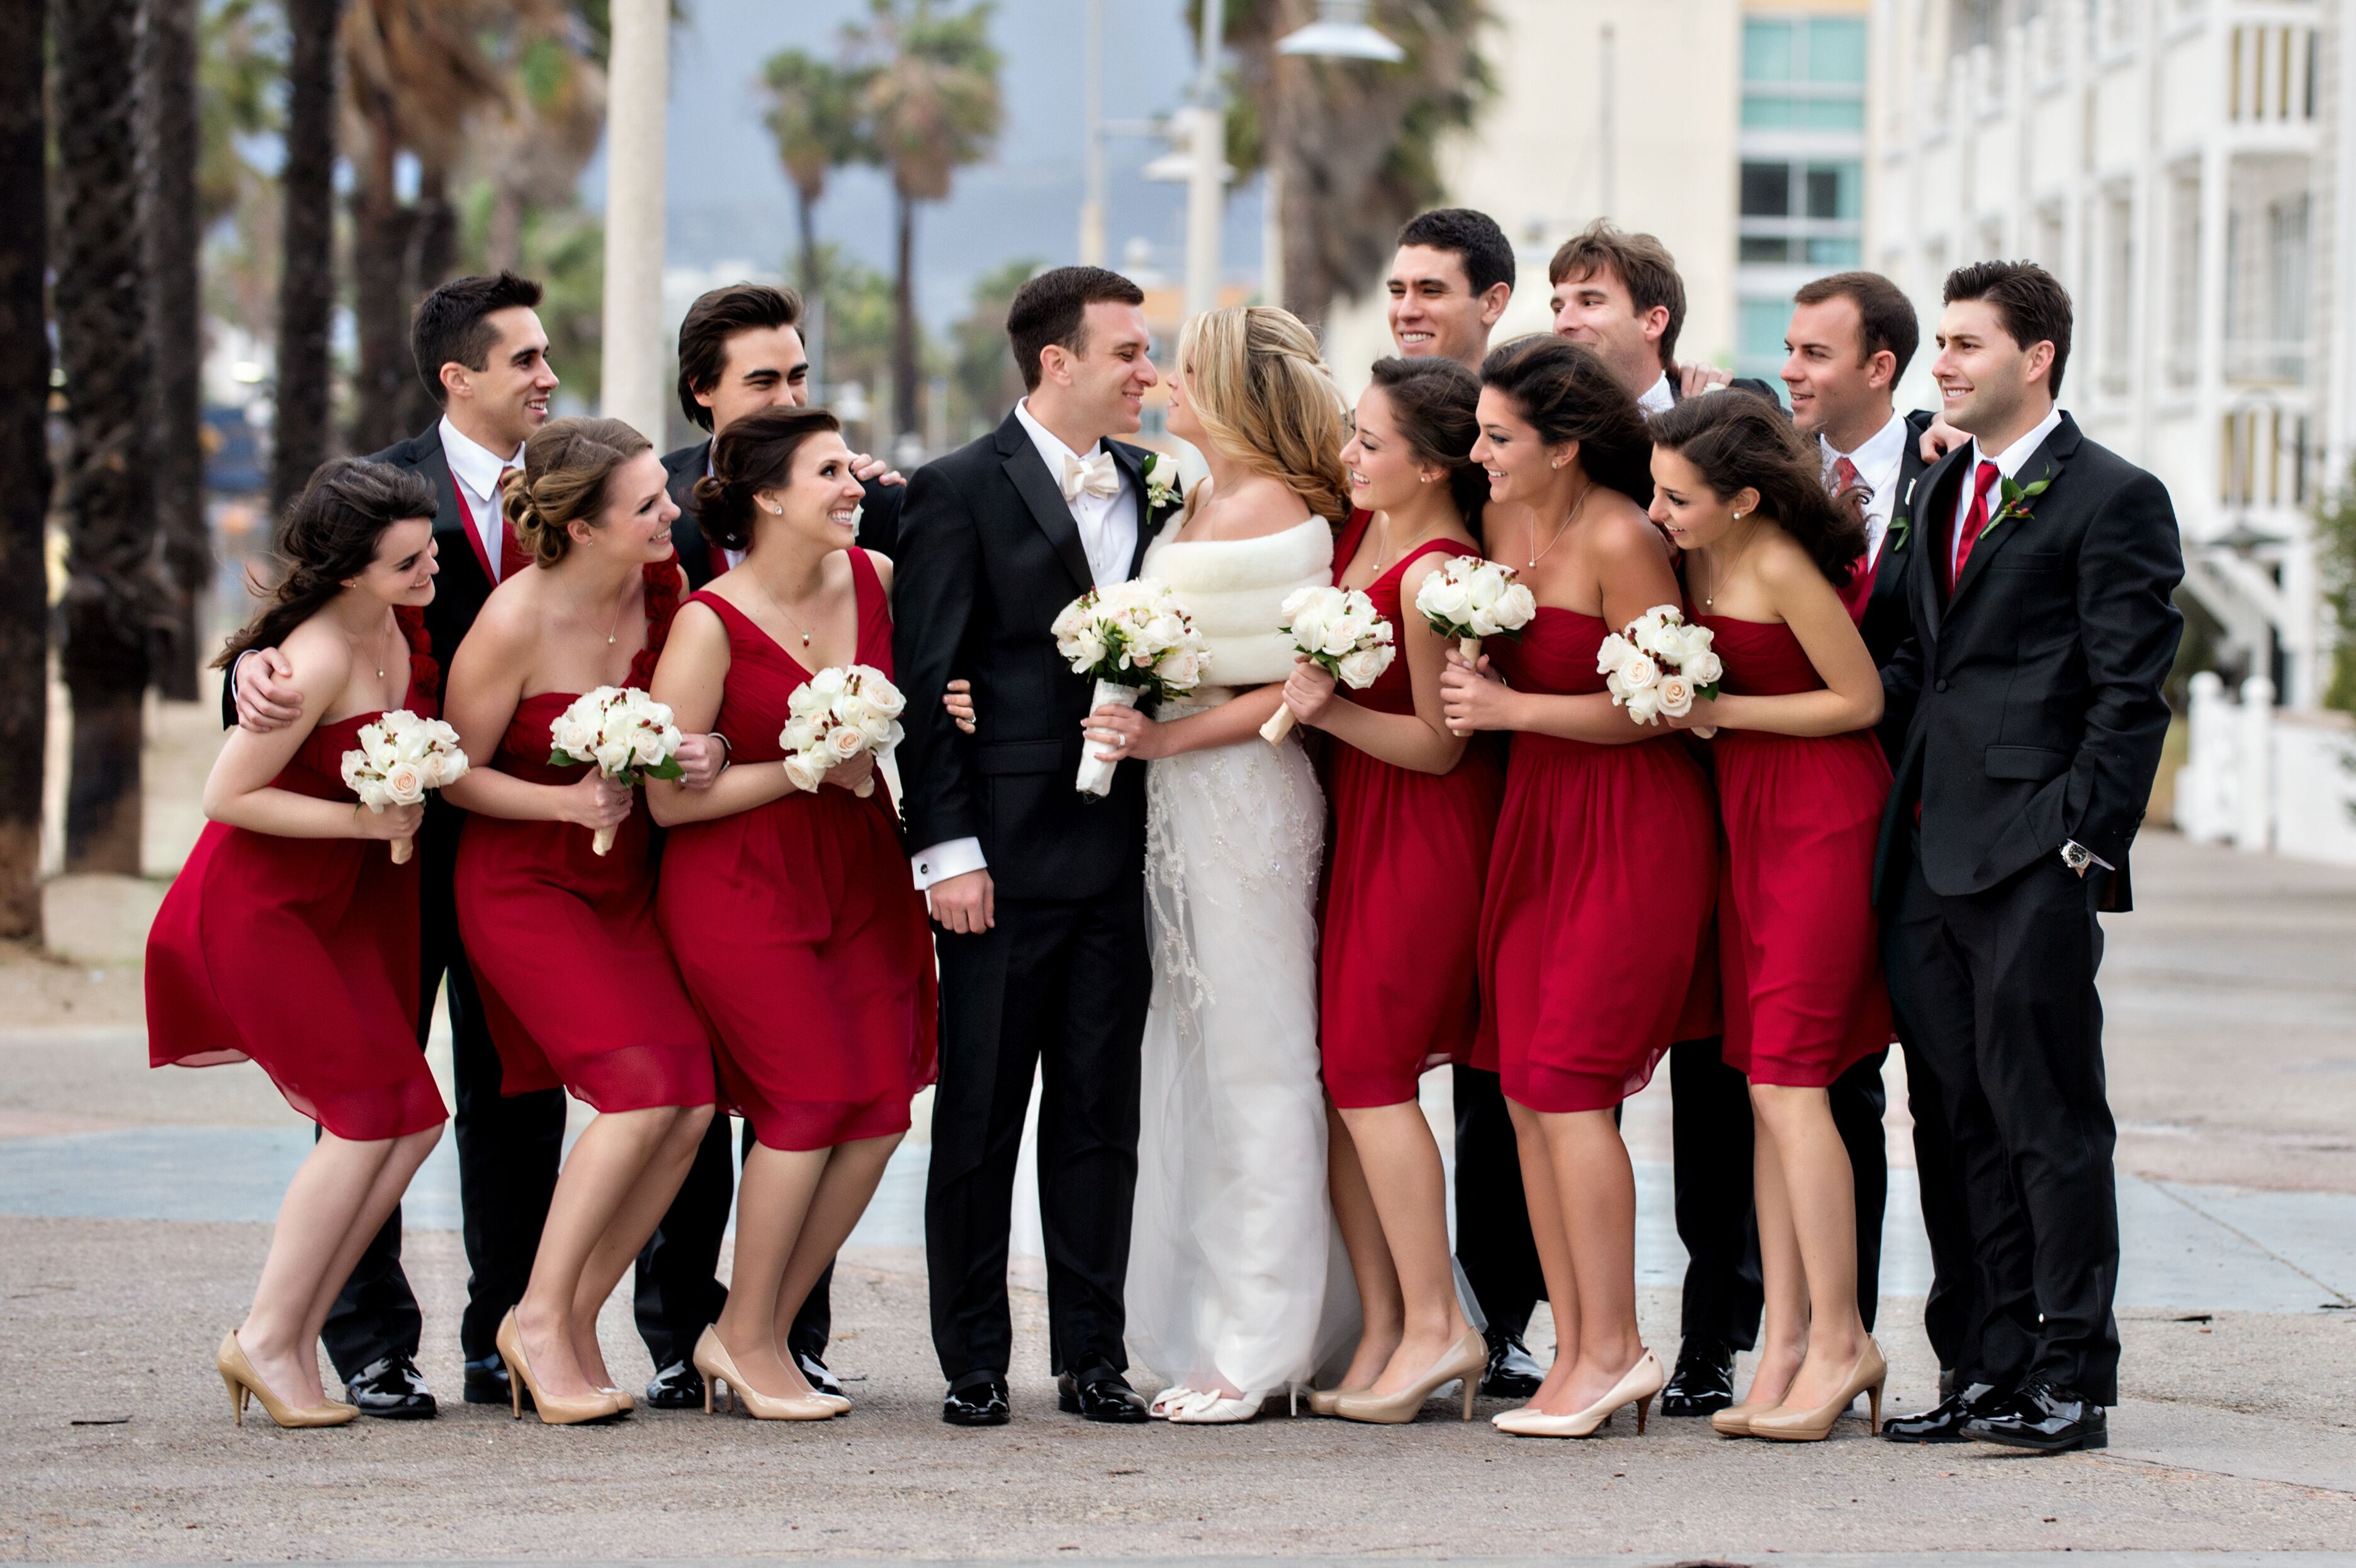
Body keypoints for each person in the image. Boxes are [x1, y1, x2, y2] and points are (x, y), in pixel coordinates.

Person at [225, 274, 714, 1416]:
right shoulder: (389, 494)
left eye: (547, 357)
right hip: (390, 858)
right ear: (459, 377)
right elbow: (304, 617)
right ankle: (367, 1341)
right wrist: (254, 666)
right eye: (525, 360)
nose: (548, 375)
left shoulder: (616, 499)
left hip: (552, 860)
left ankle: (509, 1333)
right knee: (370, 1095)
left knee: (520, 1101)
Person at [1875, 262, 2182, 1455]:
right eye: (1940, 343)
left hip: (2031, 857)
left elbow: (2131, 694)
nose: (1942, 364)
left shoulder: (2114, 496)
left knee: (2049, 1119)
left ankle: (2071, 1375)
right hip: (1926, 853)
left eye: (1964, 344)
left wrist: (2079, 845)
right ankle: (1982, 1367)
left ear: (2037, 357)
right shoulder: (1943, 481)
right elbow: (1915, 656)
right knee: (1953, 1123)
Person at [893, 266, 1183, 1426]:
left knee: (1099, 1116)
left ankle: (1092, 1355)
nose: (1145, 374)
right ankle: (971, 1356)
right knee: (979, 1115)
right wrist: (948, 851)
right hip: (1000, 859)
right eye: (1125, 353)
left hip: (1124, 852)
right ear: (1055, 362)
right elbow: (926, 683)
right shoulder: (958, 488)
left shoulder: (1159, 489)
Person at [1067, 305, 1355, 1423]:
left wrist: (1165, 735)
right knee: (1185, 1046)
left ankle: (1263, 1335)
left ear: (1230, 388)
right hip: (1173, 810)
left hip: (1245, 801)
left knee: (1258, 1053)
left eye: (1182, 370)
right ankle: (1195, 1317)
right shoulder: (1187, 496)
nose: (1161, 384)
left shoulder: (1284, 515)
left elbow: (1297, 684)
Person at [634, 280, 906, 1410]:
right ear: (764, 497)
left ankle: (765, 1331)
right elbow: (668, 802)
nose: (858, 486)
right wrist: (800, 767)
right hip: (742, 885)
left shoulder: (882, 576)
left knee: (881, 1108)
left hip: (863, 876)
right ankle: (735, 1338)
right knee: (804, 1103)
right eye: (833, 473)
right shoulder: (704, 619)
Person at [1438, 338, 1716, 1439]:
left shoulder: (1622, 535)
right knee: (1518, 1087)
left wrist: (1517, 713)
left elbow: (1667, 704)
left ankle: (1617, 1348)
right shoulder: (1502, 521)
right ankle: (1577, 1348)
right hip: (1535, 826)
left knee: (1568, 1084)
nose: (1480, 453)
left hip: (1629, 826)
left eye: (1500, 438)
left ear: (1563, 446)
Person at [147, 459, 450, 1427]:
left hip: (347, 911)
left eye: (429, 544)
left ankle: (290, 1331)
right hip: (265, 909)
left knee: (416, 1119)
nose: (428, 564)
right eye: (407, 559)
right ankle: (270, 1338)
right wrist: (368, 825)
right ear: (353, 569)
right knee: (367, 1117)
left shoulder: (399, 623)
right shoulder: (313, 657)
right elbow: (225, 796)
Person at [439, 418, 718, 1424]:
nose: (670, 513)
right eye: (647, 505)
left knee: (689, 1099)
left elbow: (695, 719)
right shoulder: (513, 620)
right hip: (524, 884)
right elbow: (452, 772)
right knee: (639, 1095)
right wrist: (562, 802)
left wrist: (703, 752)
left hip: (624, 886)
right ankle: (537, 1316)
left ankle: (575, 1316)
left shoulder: (663, 589)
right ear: (585, 527)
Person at [1650, 390, 1893, 1442]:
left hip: (1820, 820)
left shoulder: (1782, 563)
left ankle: (1846, 1337)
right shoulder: (1696, 554)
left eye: (1678, 499)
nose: (1658, 514)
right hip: (1746, 823)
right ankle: (1784, 1336)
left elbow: (1861, 700)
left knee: (1797, 1085)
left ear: (1745, 498)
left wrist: (1718, 711)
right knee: (1761, 1084)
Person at [1280, 356, 1502, 1422]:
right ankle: (1385, 1327)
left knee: (1372, 1075)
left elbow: (1438, 745)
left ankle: (1440, 1324)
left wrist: (1325, 714)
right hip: (1357, 826)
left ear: (1434, 464)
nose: (1348, 457)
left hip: (1421, 833)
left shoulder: (1434, 573)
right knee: (1343, 1082)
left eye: (1369, 443)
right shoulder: (1361, 527)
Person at [1779, 271, 1973, 1400]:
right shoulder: (1768, 467)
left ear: (1879, 368)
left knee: (1944, 1096)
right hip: (1797, 816)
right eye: (1791, 351)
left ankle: (1968, 1360)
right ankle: (1798, 1335)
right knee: (1814, 1080)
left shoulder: (1940, 465)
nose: (1792, 371)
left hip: (1918, 808)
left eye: (1813, 354)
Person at [1377, 209, 1548, 1400]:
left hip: (1510, 788)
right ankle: (1416, 1307)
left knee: (1504, 1079)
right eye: (1396, 288)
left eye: (1430, 289)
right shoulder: (1389, 433)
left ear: (1493, 301)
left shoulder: (1533, 428)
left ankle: (1503, 1309)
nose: (1407, 307)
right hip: (1401, 788)